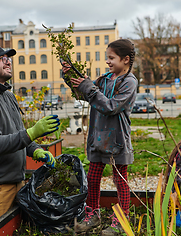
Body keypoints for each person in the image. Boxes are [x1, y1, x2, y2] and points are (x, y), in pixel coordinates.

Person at [0, 43, 60, 227]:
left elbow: (17, 134)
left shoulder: (7, 95)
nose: (8, 63)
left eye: (9, 59)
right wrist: (32, 132)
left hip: (17, 182)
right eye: (2, 59)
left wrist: (36, 150)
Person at [62, 39, 137, 236]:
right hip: (98, 137)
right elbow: (83, 94)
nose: (108, 62)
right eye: (107, 58)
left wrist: (90, 87)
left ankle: (122, 219)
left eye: (111, 58)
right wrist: (70, 75)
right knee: (93, 178)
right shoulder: (104, 79)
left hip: (117, 139)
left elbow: (111, 106)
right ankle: (92, 215)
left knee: (120, 180)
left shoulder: (128, 82)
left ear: (126, 59)